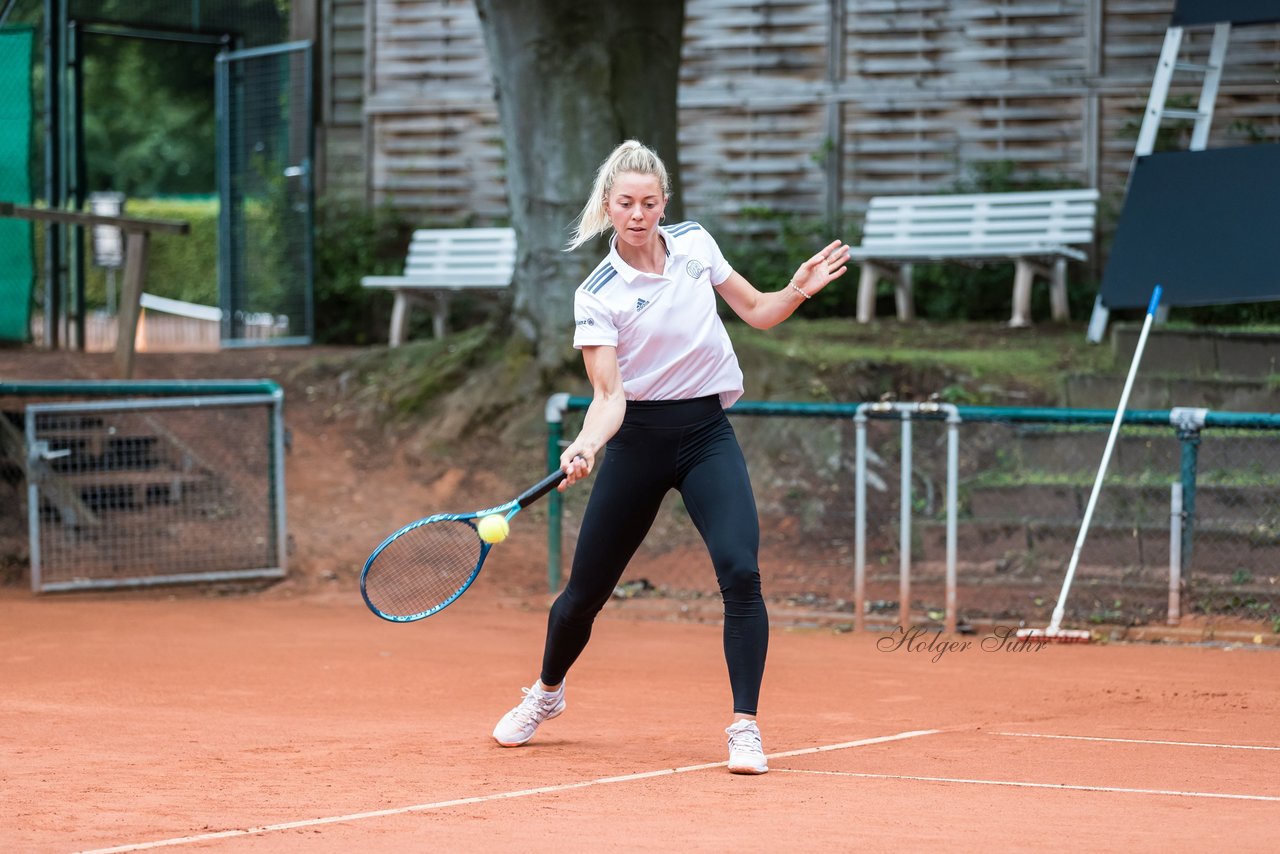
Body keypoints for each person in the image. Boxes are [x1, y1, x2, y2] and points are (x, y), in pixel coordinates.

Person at [492, 139, 850, 774]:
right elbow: (608, 397)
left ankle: (745, 726)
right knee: (583, 595)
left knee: (741, 572)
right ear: (608, 206)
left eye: (649, 203)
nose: (638, 214)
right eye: (626, 203)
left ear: (664, 204)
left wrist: (796, 289)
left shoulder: (696, 246)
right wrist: (585, 445)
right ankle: (546, 693)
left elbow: (759, 312)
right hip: (636, 441)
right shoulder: (597, 292)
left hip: (707, 433)